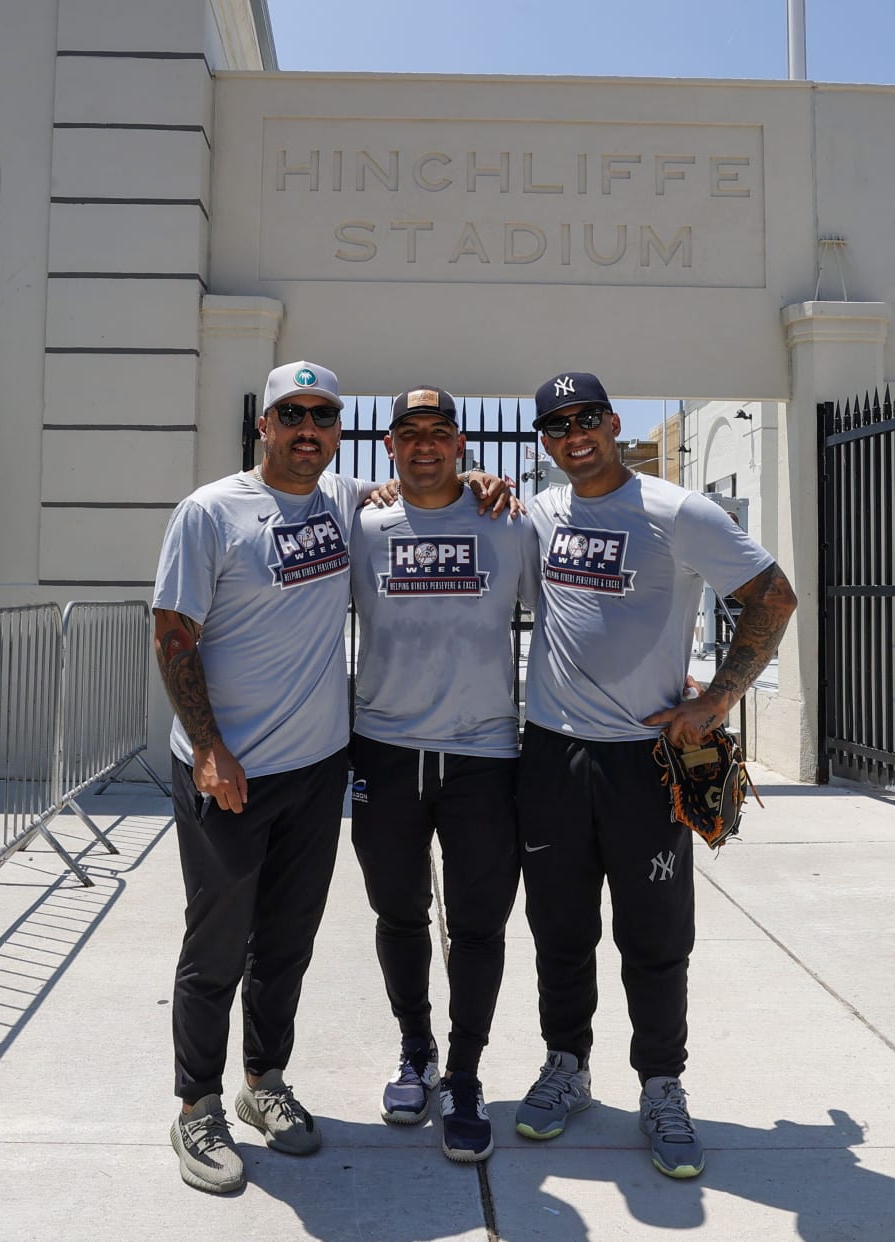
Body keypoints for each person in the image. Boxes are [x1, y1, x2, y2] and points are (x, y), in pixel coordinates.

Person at [151, 361, 512, 1195]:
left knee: (285, 945)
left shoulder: (349, 502)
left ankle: (263, 1084)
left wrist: (484, 482)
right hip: (228, 770)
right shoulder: (211, 511)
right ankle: (196, 1104)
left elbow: (435, 491)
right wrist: (208, 746)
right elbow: (173, 633)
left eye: (323, 416)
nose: (307, 428)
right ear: (264, 426)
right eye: (291, 414)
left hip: (316, 769)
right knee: (216, 946)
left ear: (339, 434)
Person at [511, 371, 797, 1180]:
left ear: (611, 422)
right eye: (558, 424)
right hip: (552, 754)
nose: (576, 434)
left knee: (654, 935)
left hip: (645, 762)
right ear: (545, 439)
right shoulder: (539, 513)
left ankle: (662, 1087)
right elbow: (453, 507)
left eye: (589, 418)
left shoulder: (679, 511)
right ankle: (566, 1065)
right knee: (559, 927)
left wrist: (718, 700)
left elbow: (773, 596)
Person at [347, 386, 538, 1163]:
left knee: (478, 923)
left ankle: (464, 1074)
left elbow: (571, 613)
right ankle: (416, 1050)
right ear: (389, 445)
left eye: (439, 431)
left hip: (483, 754)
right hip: (385, 750)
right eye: (409, 433)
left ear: (462, 443)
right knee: (397, 915)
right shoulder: (362, 523)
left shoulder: (506, 522)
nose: (425, 444)